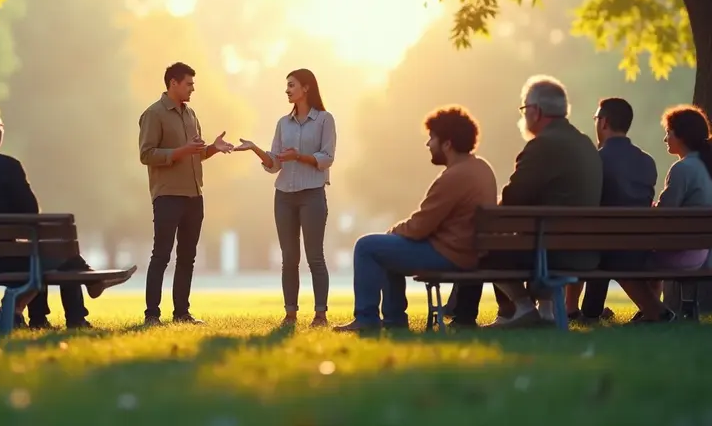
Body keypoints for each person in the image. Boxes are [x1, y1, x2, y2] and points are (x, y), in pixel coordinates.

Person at [0, 105, 131, 329]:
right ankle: (76, 313)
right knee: (57, 253)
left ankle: (57, 306)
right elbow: (31, 211)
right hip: (5, 259)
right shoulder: (8, 166)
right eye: (0, 127)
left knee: (39, 252)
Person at [451, 75, 603, 328]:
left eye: (524, 109)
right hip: (583, 252)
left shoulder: (542, 146)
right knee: (515, 236)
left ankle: (521, 308)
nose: (523, 115)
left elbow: (512, 200)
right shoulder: (585, 143)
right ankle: (544, 311)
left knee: (479, 244)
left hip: (549, 254)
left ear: (536, 111)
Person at [333, 106, 497, 332]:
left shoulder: (454, 177)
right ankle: (393, 320)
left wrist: (394, 231)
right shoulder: (481, 168)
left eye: (432, 138)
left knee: (367, 246)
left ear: (447, 144)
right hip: (466, 251)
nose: (428, 144)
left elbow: (420, 226)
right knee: (387, 249)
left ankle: (367, 318)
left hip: (450, 254)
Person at [235, 69, 336, 326]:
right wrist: (255, 149)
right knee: (289, 257)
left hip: (312, 195)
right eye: (287, 86)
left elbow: (327, 158)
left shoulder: (325, 120)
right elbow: (274, 164)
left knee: (315, 256)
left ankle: (320, 314)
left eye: (292, 85)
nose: (287, 90)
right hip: (284, 197)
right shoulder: (283, 123)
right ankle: (290, 313)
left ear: (306, 88)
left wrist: (299, 156)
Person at [138, 62, 233, 326]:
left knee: (188, 256)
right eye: (189, 83)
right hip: (168, 195)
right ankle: (152, 315)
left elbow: (196, 153)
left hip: (194, 195)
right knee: (161, 255)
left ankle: (181, 312)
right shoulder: (153, 114)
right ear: (173, 84)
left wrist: (213, 148)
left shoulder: (191, 114)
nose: (193, 88)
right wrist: (182, 150)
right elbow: (146, 155)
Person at [613, 105, 712, 323]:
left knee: (620, 261)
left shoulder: (683, 169)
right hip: (704, 254)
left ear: (681, 136)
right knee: (648, 257)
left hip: (683, 256)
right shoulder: (705, 167)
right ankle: (651, 312)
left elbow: (663, 216)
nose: (665, 139)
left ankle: (657, 312)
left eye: (668, 132)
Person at [565, 98, 657, 322]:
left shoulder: (595, 160)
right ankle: (590, 310)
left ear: (604, 122)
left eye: (596, 119)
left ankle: (571, 308)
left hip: (603, 247)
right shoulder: (647, 161)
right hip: (639, 245)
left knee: (580, 237)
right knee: (601, 237)